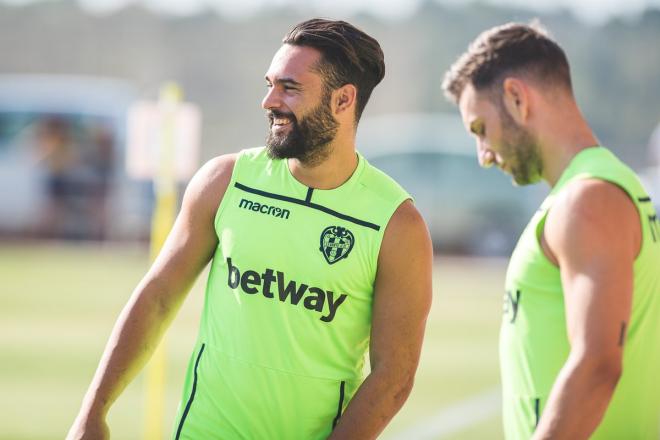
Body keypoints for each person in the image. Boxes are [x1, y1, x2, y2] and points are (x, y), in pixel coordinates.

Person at [67, 18, 433, 440]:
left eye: (289, 88)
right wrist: (92, 412)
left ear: (343, 100)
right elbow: (158, 297)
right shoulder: (224, 180)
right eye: (269, 84)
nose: (269, 101)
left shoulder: (397, 224)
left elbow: (394, 375)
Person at [442, 22, 660, 439]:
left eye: (480, 129)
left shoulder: (587, 200)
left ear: (517, 98)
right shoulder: (597, 188)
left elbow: (597, 366)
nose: (483, 155)